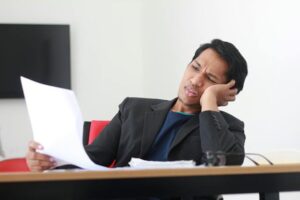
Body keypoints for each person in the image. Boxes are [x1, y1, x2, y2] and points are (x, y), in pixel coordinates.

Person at [27, 38, 248, 186]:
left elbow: (223, 170)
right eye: (195, 67)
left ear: (226, 91)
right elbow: (92, 160)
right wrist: (50, 163)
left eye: (210, 79)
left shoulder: (229, 129)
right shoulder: (133, 110)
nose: (196, 80)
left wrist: (209, 101)